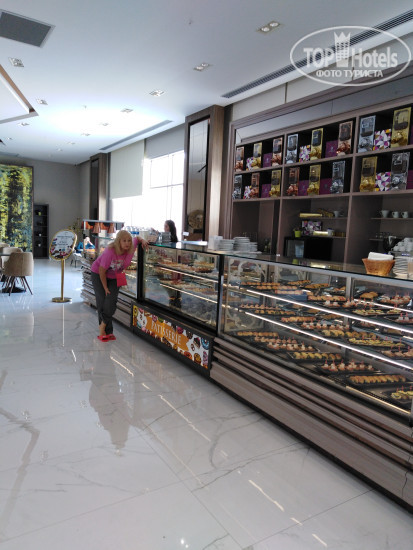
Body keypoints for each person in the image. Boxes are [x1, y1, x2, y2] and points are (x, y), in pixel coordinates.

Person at [91, 229, 148, 342]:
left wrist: (143, 240)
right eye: (124, 241)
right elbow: (102, 270)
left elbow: (137, 238)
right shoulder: (110, 251)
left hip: (114, 276)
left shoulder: (131, 247)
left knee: (111, 301)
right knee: (102, 300)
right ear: (118, 241)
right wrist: (105, 287)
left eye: (128, 241)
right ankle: (107, 332)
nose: (127, 243)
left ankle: (103, 325)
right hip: (98, 274)